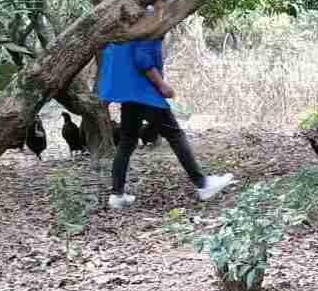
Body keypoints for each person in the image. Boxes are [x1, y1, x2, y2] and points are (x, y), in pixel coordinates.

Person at [97, 14, 235, 209]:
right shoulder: (150, 20)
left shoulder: (134, 20)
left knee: (127, 142)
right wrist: (162, 86)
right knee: (175, 135)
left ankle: (117, 195)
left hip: (130, 93)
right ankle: (203, 184)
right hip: (144, 93)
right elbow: (142, 58)